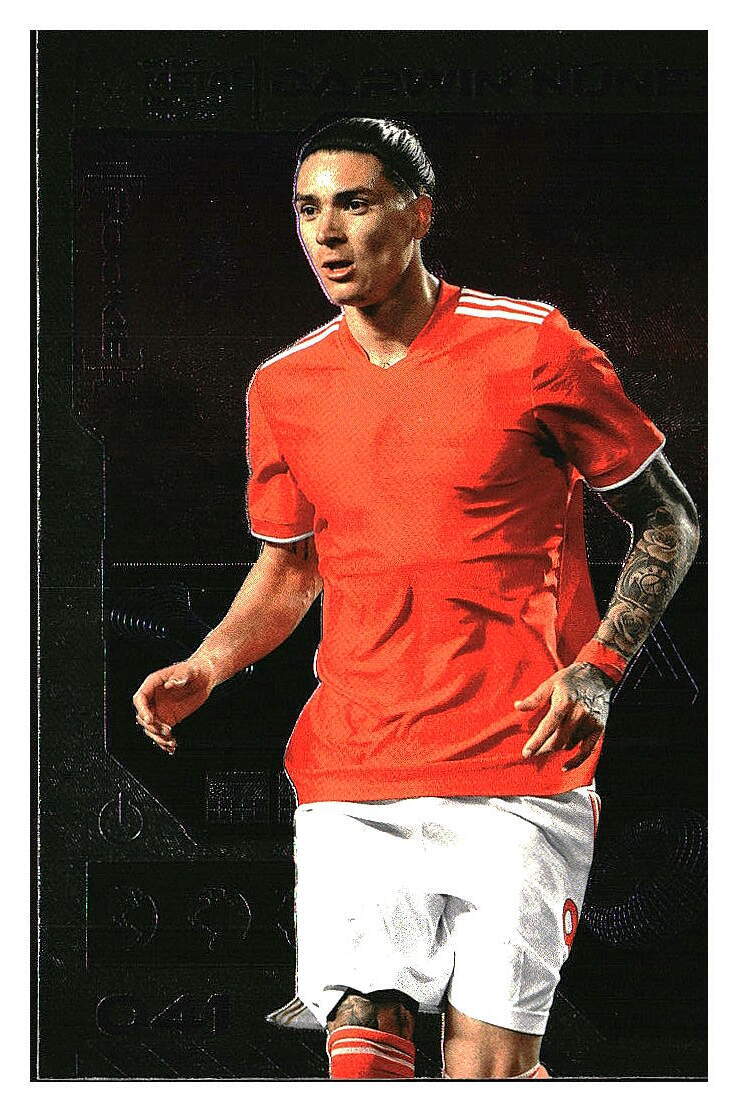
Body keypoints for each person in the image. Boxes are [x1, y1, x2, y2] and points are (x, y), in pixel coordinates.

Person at [132, 117, 700, 1080]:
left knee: (485, 1076)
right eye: (308, 209)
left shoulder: (534, 347)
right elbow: (290, 568)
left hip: (519, 765)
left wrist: (600, 668)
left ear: (419, 213)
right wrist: (209, 664)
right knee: (363, 1048)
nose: (327, 233)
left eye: (354, 204)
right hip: (355, 766)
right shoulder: (284, 386)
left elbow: (670, 520)